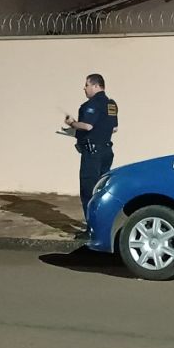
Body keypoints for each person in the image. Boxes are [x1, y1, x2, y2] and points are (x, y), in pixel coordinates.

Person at [64, 73, 118, 239]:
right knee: (102, 191)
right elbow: (114, 128)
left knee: (89, 191)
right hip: (106, 152)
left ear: (95, 86)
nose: (84, 88)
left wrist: (72, 123)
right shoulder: (111, 104)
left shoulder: (91, 104)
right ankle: (105, 225)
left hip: (92, 154)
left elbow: (87, 126)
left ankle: (92, 230)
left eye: (86, 85)